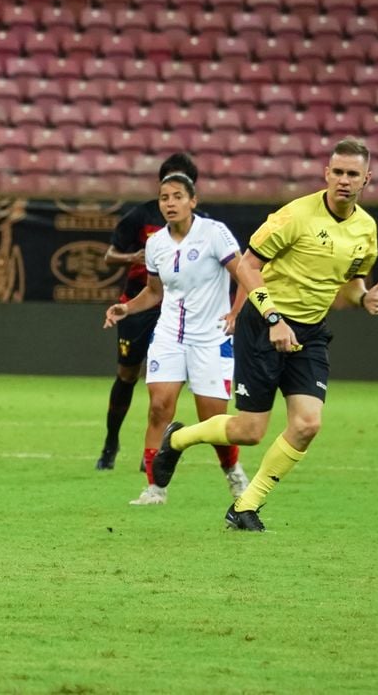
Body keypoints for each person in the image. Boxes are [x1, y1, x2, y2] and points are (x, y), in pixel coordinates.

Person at [151, 137, 378, 531]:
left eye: (353, 174)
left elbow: (350, 282)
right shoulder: (295, 215)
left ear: (367, 179)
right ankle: (177, 439)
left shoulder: (366, 229)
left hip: (309, 333)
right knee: (249, 431)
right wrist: (274, 317)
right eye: (338, 172)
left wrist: (363, 299)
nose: (344, 180)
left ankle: (246, 506)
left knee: (308, 424)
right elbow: (248, 264)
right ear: (326, 173)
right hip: (264, 325)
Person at [103, 171, 249, 505]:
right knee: (158, 407)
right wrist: (127, 309)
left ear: (192, 201)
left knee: (213, 421)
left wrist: (235, 313)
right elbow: (154, 292)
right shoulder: (155, 244)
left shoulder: (214, 234)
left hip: (211, 337)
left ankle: (233, 472)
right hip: (170, 335)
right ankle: (155, 489)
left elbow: (244, 273)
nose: (170, 203)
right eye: (164, 197)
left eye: (177, 196)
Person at [96, 153, 199, 471]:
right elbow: (109, 256)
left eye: (182, 185)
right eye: (168, 184)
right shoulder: (140, 217)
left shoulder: (202, 226)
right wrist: (134, 258)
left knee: (166, 381)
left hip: (175, 309)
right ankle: (111, 442)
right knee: (127, 375)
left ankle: (151, 452)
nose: (173, 193)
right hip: (139, 305)